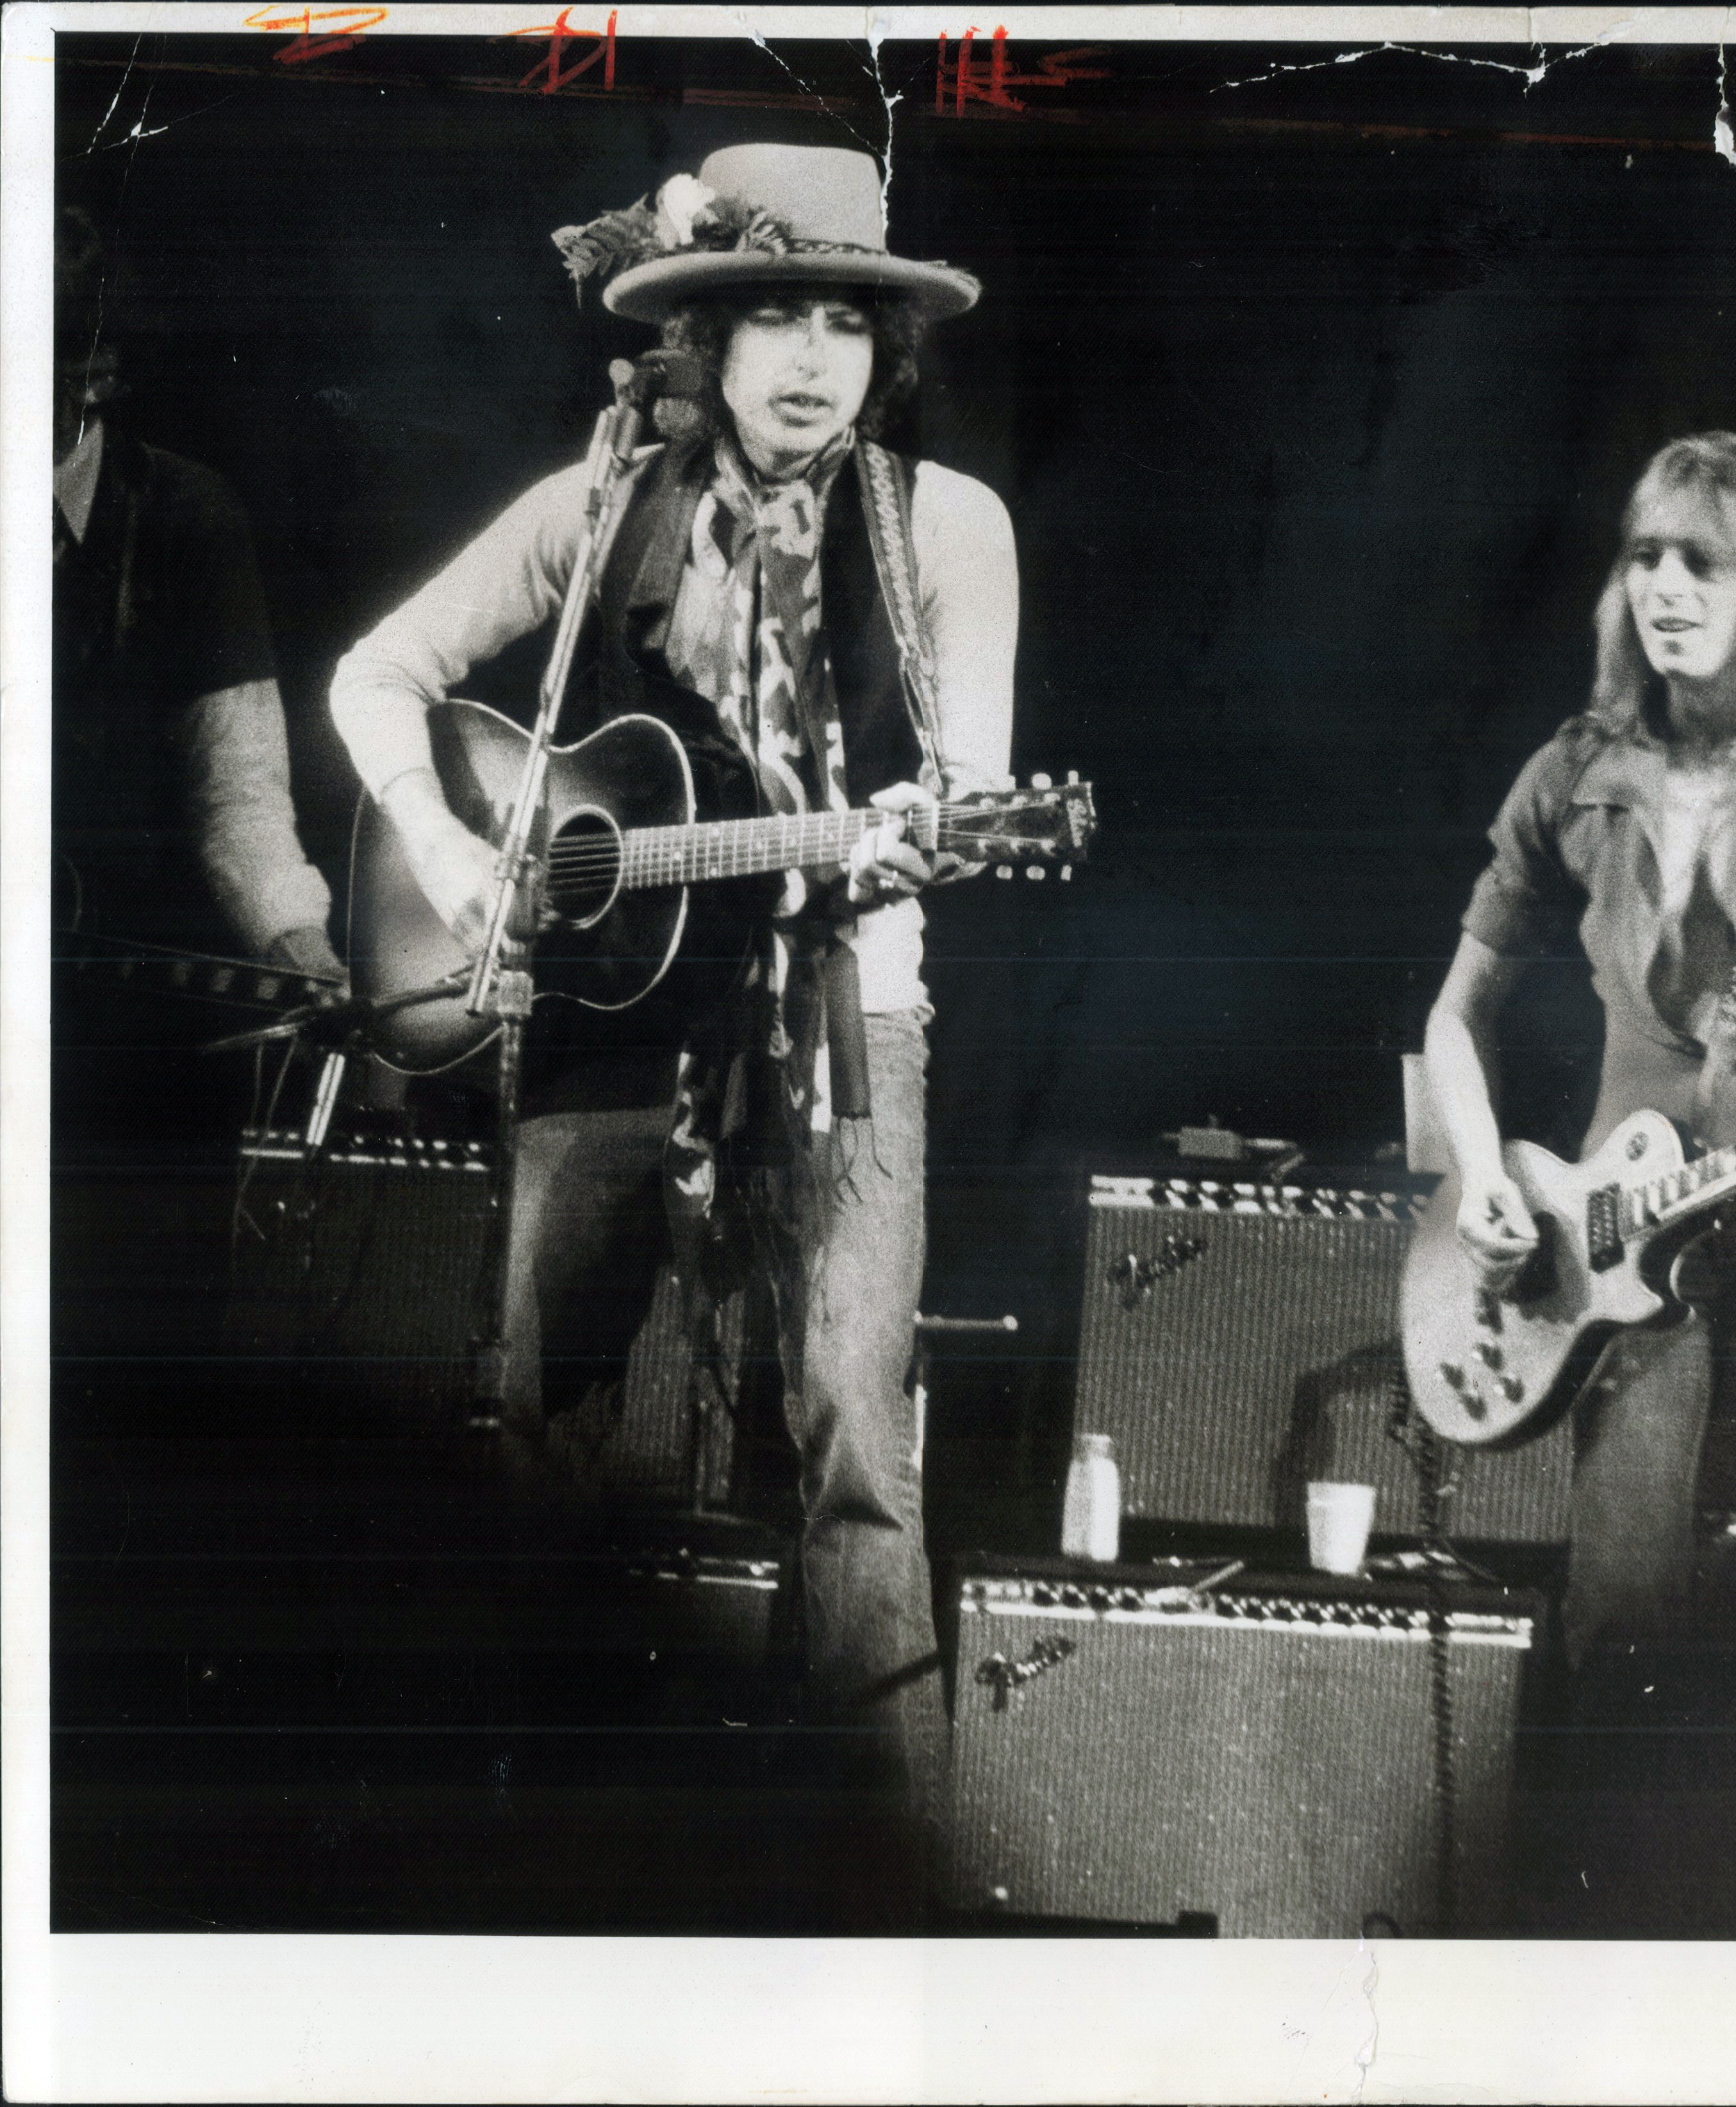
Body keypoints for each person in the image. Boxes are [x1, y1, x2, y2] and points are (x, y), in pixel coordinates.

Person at [327, 144, 1016, 1908]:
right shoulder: (599, 503)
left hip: (845, 1015)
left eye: (842, 324)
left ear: (886, 349)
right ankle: (516, 1850)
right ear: (700, 339)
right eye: (766, 314)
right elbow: (374, 676)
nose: (805, 357)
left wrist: (897, 844)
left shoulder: (947, 527)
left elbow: (975, 796)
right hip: (605, 1011)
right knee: (545, 1412)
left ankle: (868, 1875)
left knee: (856, 1431)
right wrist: (460, 853)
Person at [1423, 433, 1736, 1678]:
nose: (1668, 590)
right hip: (1625, 1220)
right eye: (1646, 557)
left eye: (1703, 561)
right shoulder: (1578, 774)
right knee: (1626, 1604)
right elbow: (1453, 1017)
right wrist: (1484, 1178)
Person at [52, 203, 347, 1406]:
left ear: (96, 363)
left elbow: (238, 798)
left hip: (140, 1052)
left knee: (137, 1382)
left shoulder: (186, 516)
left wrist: (305, 952)